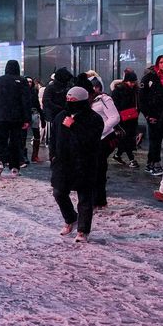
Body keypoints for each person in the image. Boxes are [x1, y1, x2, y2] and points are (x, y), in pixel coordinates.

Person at [49, 87, 105, 243]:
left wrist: (74, 126)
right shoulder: (60, 116)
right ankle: (70, 218)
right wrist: (53, 156)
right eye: (68, 100)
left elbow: (92, 141)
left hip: (84, 163)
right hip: (63, 163)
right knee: (59, 193)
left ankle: (83, 230)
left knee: (85, 198)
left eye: (74, 100)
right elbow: (53, 138)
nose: (70, 103)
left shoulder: (94, 119)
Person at [0, 60, 33, 177]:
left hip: (0, 117)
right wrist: (27, 119)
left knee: (0, 140)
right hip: (16, 118)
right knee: (15, 141)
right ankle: (14, 167)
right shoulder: (22, 81)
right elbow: (26, 102)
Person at [139, 55, 163, 175]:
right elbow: (142, 98)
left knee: (157, 139)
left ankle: (150, 163)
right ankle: (156, 163)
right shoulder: (149, 78)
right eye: (161, 62)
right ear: (157, 64)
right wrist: (148, 115)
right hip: (153, 114)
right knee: (155, 139)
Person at [88, 78, 121, 208]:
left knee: (99, 168)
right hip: (94, 138)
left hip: (105, 138)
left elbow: (115, 117)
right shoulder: (89, 101)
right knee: (95, 168)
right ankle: (96, 198)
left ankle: (99, 200)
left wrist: (101, 129)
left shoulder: (104, 99)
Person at [111, 71, 141, 168]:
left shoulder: (136, 91)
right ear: (126, 81)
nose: (132, 84)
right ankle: (132, 159)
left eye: (134, 82)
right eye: (130, 82)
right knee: (127, 138)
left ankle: (117, 155)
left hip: (132, 118)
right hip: (122, 119)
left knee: (127, 138)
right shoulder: (118, 90)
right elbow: (115, 106)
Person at [24, 78, 43, 163]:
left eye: (30, 81)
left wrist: (42, 116)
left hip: (34, 113)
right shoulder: (22, 91)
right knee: (23, 135)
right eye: (27, 81)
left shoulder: (34, 92)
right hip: (25, 114)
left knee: (37, 135)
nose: (29, 83)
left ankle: (35, 156)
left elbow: (38, 105)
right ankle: (24, 156)